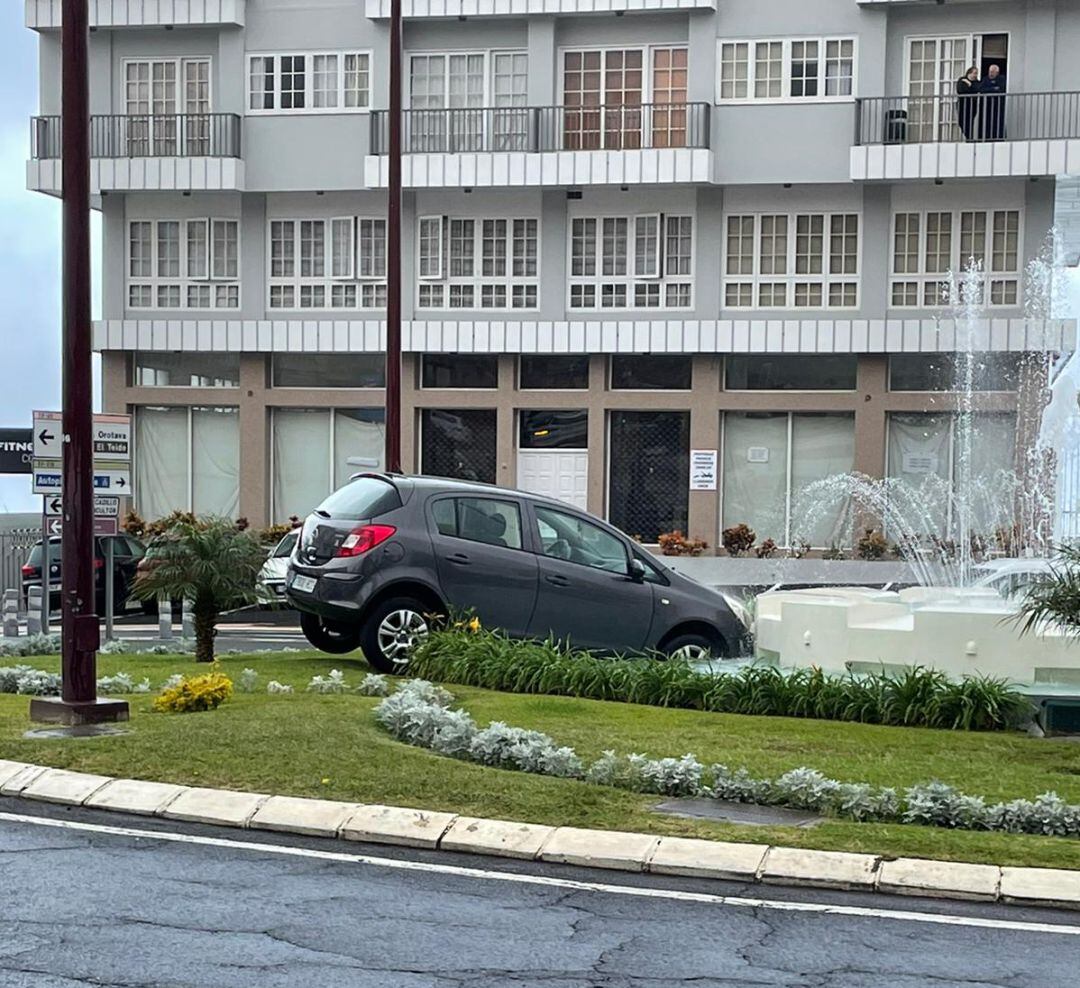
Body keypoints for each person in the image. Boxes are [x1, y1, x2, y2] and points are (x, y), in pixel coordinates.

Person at [981, 64, 1007, 140]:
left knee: (998, 122)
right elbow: (982, 89)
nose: (990, 73)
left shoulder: (1001, 79)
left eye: (992, 72)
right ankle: (987, 138)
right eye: (989, 71)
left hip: (998, 105)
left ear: (997, 72)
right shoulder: (985, 79)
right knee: (987, 123)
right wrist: (994, 88)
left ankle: (999, 137)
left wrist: (989, 89)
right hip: (987, 105)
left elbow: (1001, 89)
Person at [956, 66, 980, 141]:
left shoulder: (977, 82)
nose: (976, 75)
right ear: (969, 73)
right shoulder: (962, 80)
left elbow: (978, 89)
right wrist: (970, 87)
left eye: (976, 73)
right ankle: (968, 137)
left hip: (972, 105)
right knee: (961, 122)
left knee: (970, 122)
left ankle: (969, 138)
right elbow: (960, 90)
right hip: (962, 104)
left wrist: (969, 84)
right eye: (975, 73)